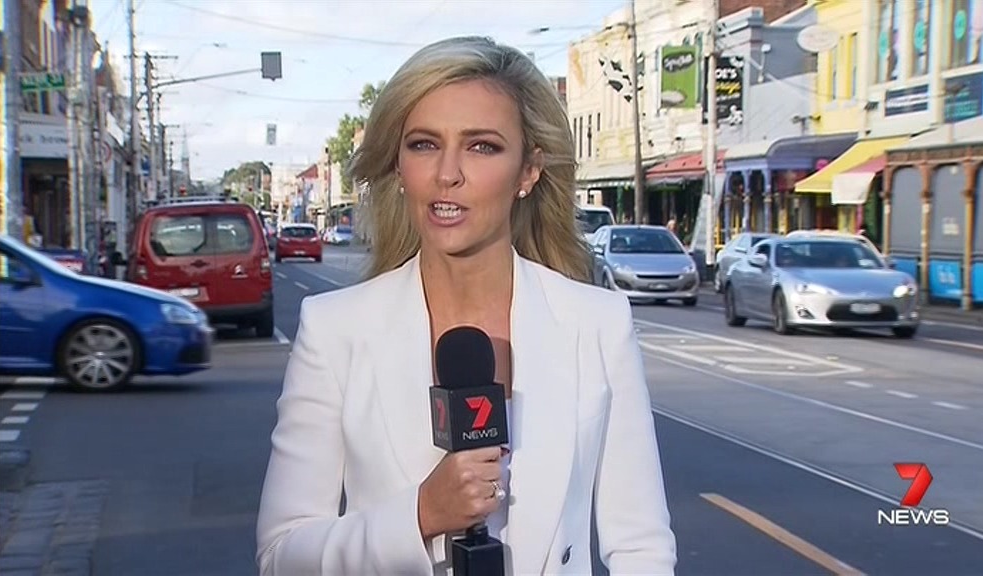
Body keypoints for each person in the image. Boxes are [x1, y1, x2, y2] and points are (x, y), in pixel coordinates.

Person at [256, 36, 676, 576]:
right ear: (398, 166)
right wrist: (421, 514)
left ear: (528, 171)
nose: (447, 173)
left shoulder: (597, 323)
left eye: (482, 146)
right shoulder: (336, 329)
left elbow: (642, 547)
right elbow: (280, 555)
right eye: (424, 144)